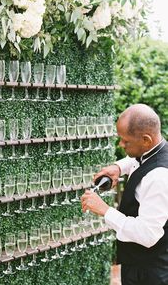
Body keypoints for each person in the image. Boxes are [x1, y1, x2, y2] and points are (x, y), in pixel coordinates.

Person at [81, 104, 168, 285]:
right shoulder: (157, 149)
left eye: (125, 141)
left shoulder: (158, 177)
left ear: (146, 140)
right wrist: (118, 167)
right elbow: (136, 160)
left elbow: (148, 234)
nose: (121, 144)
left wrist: (105, 210)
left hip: (148, 274)